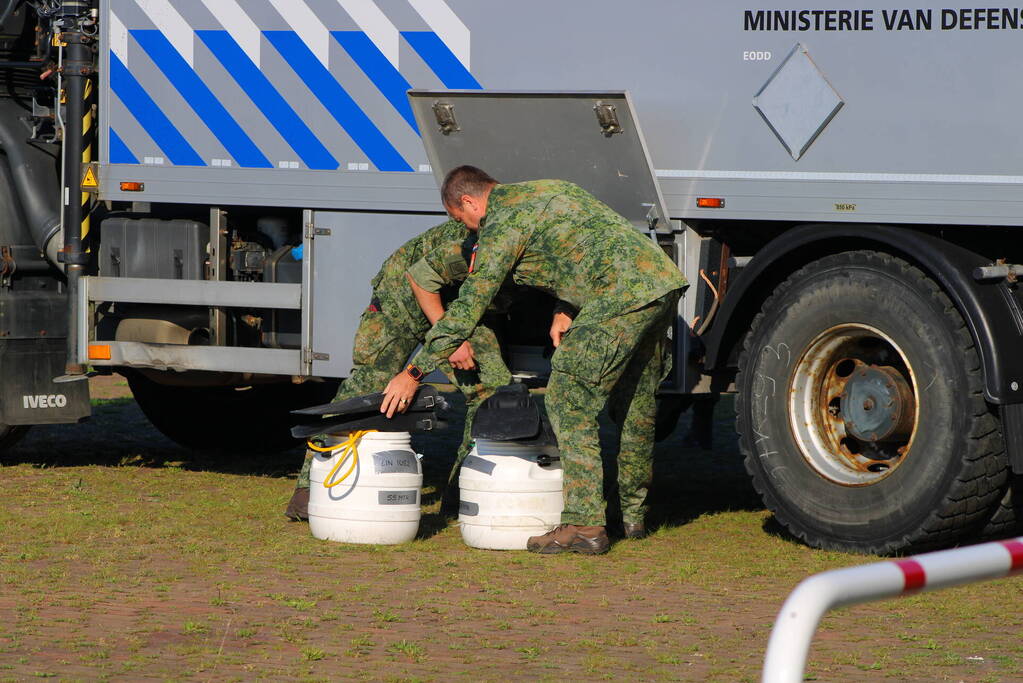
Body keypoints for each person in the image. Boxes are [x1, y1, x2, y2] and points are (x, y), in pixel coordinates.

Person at [381, 166, 687, 555]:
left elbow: (469, 306)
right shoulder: (551, 187)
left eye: (464, 221)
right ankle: (633, 515)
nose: (471, 231)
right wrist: (565, 306)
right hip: (660, 280)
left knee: (567, 399)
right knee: (635, 403)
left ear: (470, 202)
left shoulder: (502, 223)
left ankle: (584, 524)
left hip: (620, 295)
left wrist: (414, 372)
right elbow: (585, 246)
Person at [284, 219, 512, 520]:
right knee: (367, 383)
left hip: (459, 303)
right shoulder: (480, 242)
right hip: (403, 295)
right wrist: (451, 338)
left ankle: (463, 495)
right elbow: (422, 278)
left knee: (488, 389)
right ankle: (309, 490)